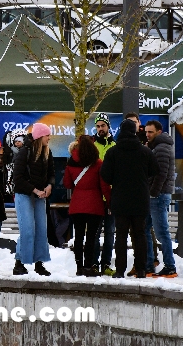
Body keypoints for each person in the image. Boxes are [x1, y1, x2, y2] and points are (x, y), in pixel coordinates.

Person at [100, 119, 159, 279]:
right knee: (139, 234)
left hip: (120, 198)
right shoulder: (145, 151)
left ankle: (120, 270)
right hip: (140, 198)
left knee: (120, 234)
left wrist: (117, 180)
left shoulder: (113, 152)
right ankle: (141, 269)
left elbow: (105, 175)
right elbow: (155, 170)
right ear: (135, 131)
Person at [64, 135, 111, 277]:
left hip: (77, 205)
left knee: (78, 237)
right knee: (91, 237)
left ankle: (79, 267)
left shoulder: (71, 163)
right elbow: (104, 186)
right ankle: (88, 266)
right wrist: (109, 202)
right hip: (95, 205)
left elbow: (67, 184)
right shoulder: (98, 163)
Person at [12, 123, 54, 276]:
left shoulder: (47, 153)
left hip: (40, 196)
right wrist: (34, 190)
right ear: (39, 136)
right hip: (24, 194)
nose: (49, 138)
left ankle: (39, 263)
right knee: (28, 229)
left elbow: (51, 173)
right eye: (47, 135)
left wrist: (50, 185)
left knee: (41, 230)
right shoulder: (24, 152)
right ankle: (19, 262)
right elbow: (18, 178)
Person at [144, 120, 178, 278]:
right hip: (158, 194)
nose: (147, 134)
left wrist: (153, 192)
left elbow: (160, 174)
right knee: (147, 229)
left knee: (161, 232)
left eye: (150, 132)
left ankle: (170, 266)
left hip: (158, 195)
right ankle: (149, 264)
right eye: (146, 132)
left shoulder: (162, 148)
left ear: (159, 131)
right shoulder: (158, 147)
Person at [91, 113, 116, 276]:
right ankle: (93, 263)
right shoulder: (92, 145)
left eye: (103, 126)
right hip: (95, 196)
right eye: (98, 126)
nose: (100, 129)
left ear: (108, 127)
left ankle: (106, 263)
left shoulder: (115, 145)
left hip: (112, 196)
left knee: (109, 233)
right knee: (93, 233)